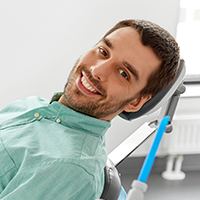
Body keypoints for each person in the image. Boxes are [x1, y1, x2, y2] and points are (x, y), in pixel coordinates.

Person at [0, 19, 179, 200]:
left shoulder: (70, 170)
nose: (96, 70)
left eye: (123, 73)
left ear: (135, 102)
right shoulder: (31, 105)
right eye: (103, 51)